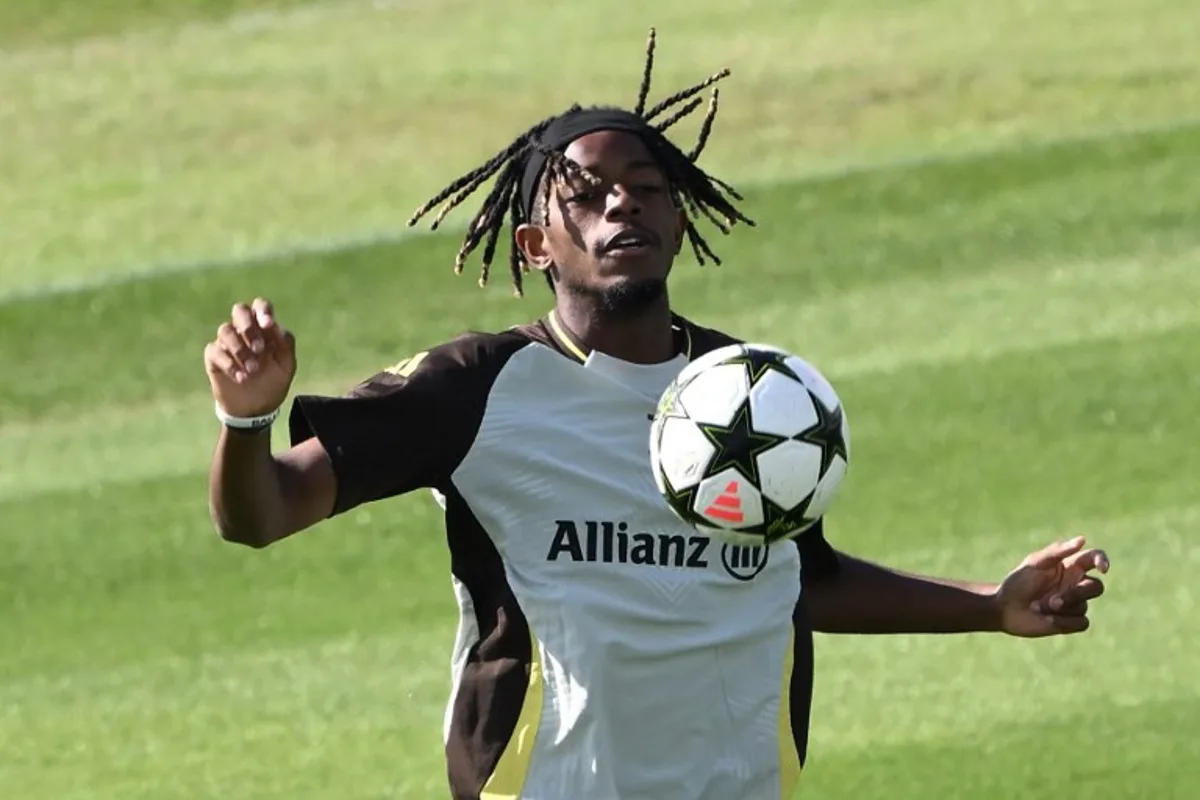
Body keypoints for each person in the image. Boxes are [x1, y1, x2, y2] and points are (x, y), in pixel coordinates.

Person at [202, 30, 1110, 800]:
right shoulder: (475, 386)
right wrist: (246, 424)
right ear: (536, 245)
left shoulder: (752, 393)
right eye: (586, 195)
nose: (621, 203)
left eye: (644, 187)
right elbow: (261, 516)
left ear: (677, 221)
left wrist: (988, 607)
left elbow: (800, 576)